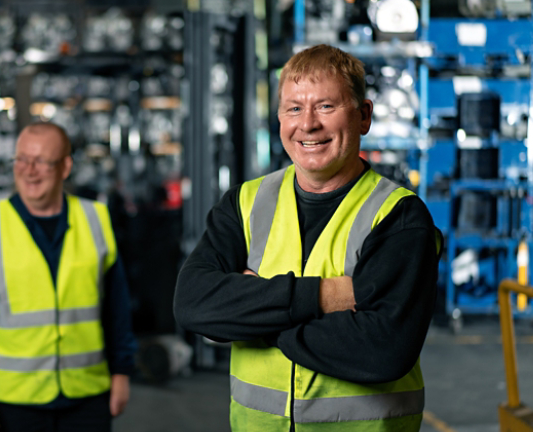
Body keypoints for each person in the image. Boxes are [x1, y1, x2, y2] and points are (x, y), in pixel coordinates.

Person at [174, 44, 442, 431]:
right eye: (294, 108)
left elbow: (383, 350)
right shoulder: (245, 203)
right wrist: (326, 298)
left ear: (363, 116)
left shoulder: (397, 216)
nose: (308, 124)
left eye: (326, 106)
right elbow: (193, 305)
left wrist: (253, 313)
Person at [0, 122, 137, 432]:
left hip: (87, 396)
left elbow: (117, 310)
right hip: (11, 402)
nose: (29, 171)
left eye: (42, 162)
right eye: (21, 159)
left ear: (65, 166)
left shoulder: (96, 220)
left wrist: (122, 373)